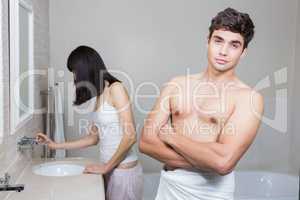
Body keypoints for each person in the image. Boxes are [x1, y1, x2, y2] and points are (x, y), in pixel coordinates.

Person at [139, 7, 264, 200]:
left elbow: (223, 162)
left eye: (234, 45)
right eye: (218, 41)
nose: (223, 51)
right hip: (170, 188)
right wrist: (208, 160)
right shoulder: (176, 84)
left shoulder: (248, 98)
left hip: (211, 193)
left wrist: (171, 137)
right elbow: (146, 143)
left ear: (243, 52)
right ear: (208, 41)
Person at [36, 46, 143, 200]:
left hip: (123, 174)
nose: (74, 77)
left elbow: (131, 136)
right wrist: (55, 145)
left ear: (85, 69)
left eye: (75, 72)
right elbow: (93, 138)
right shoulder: (100, 96)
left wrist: (106, 167)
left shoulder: (116, 89)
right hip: (111, 170)